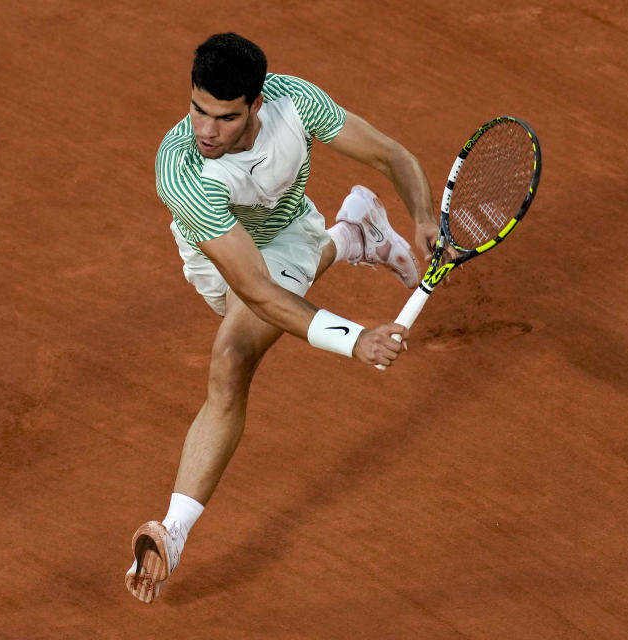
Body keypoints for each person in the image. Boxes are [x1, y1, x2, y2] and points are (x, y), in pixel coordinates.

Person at [125, 32, 438, 603]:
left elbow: (392, 154)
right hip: (221, 260)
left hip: (287, 238)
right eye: (197, 109)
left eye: (224, 117)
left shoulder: (297, 102)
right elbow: (253, 289)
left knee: (230, 360)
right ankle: (353, 233)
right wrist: (356, 338)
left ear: (257, 104)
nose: (205, 130)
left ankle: (172, 531)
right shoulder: (183, 170)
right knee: (249, 307)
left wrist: (422, 215)